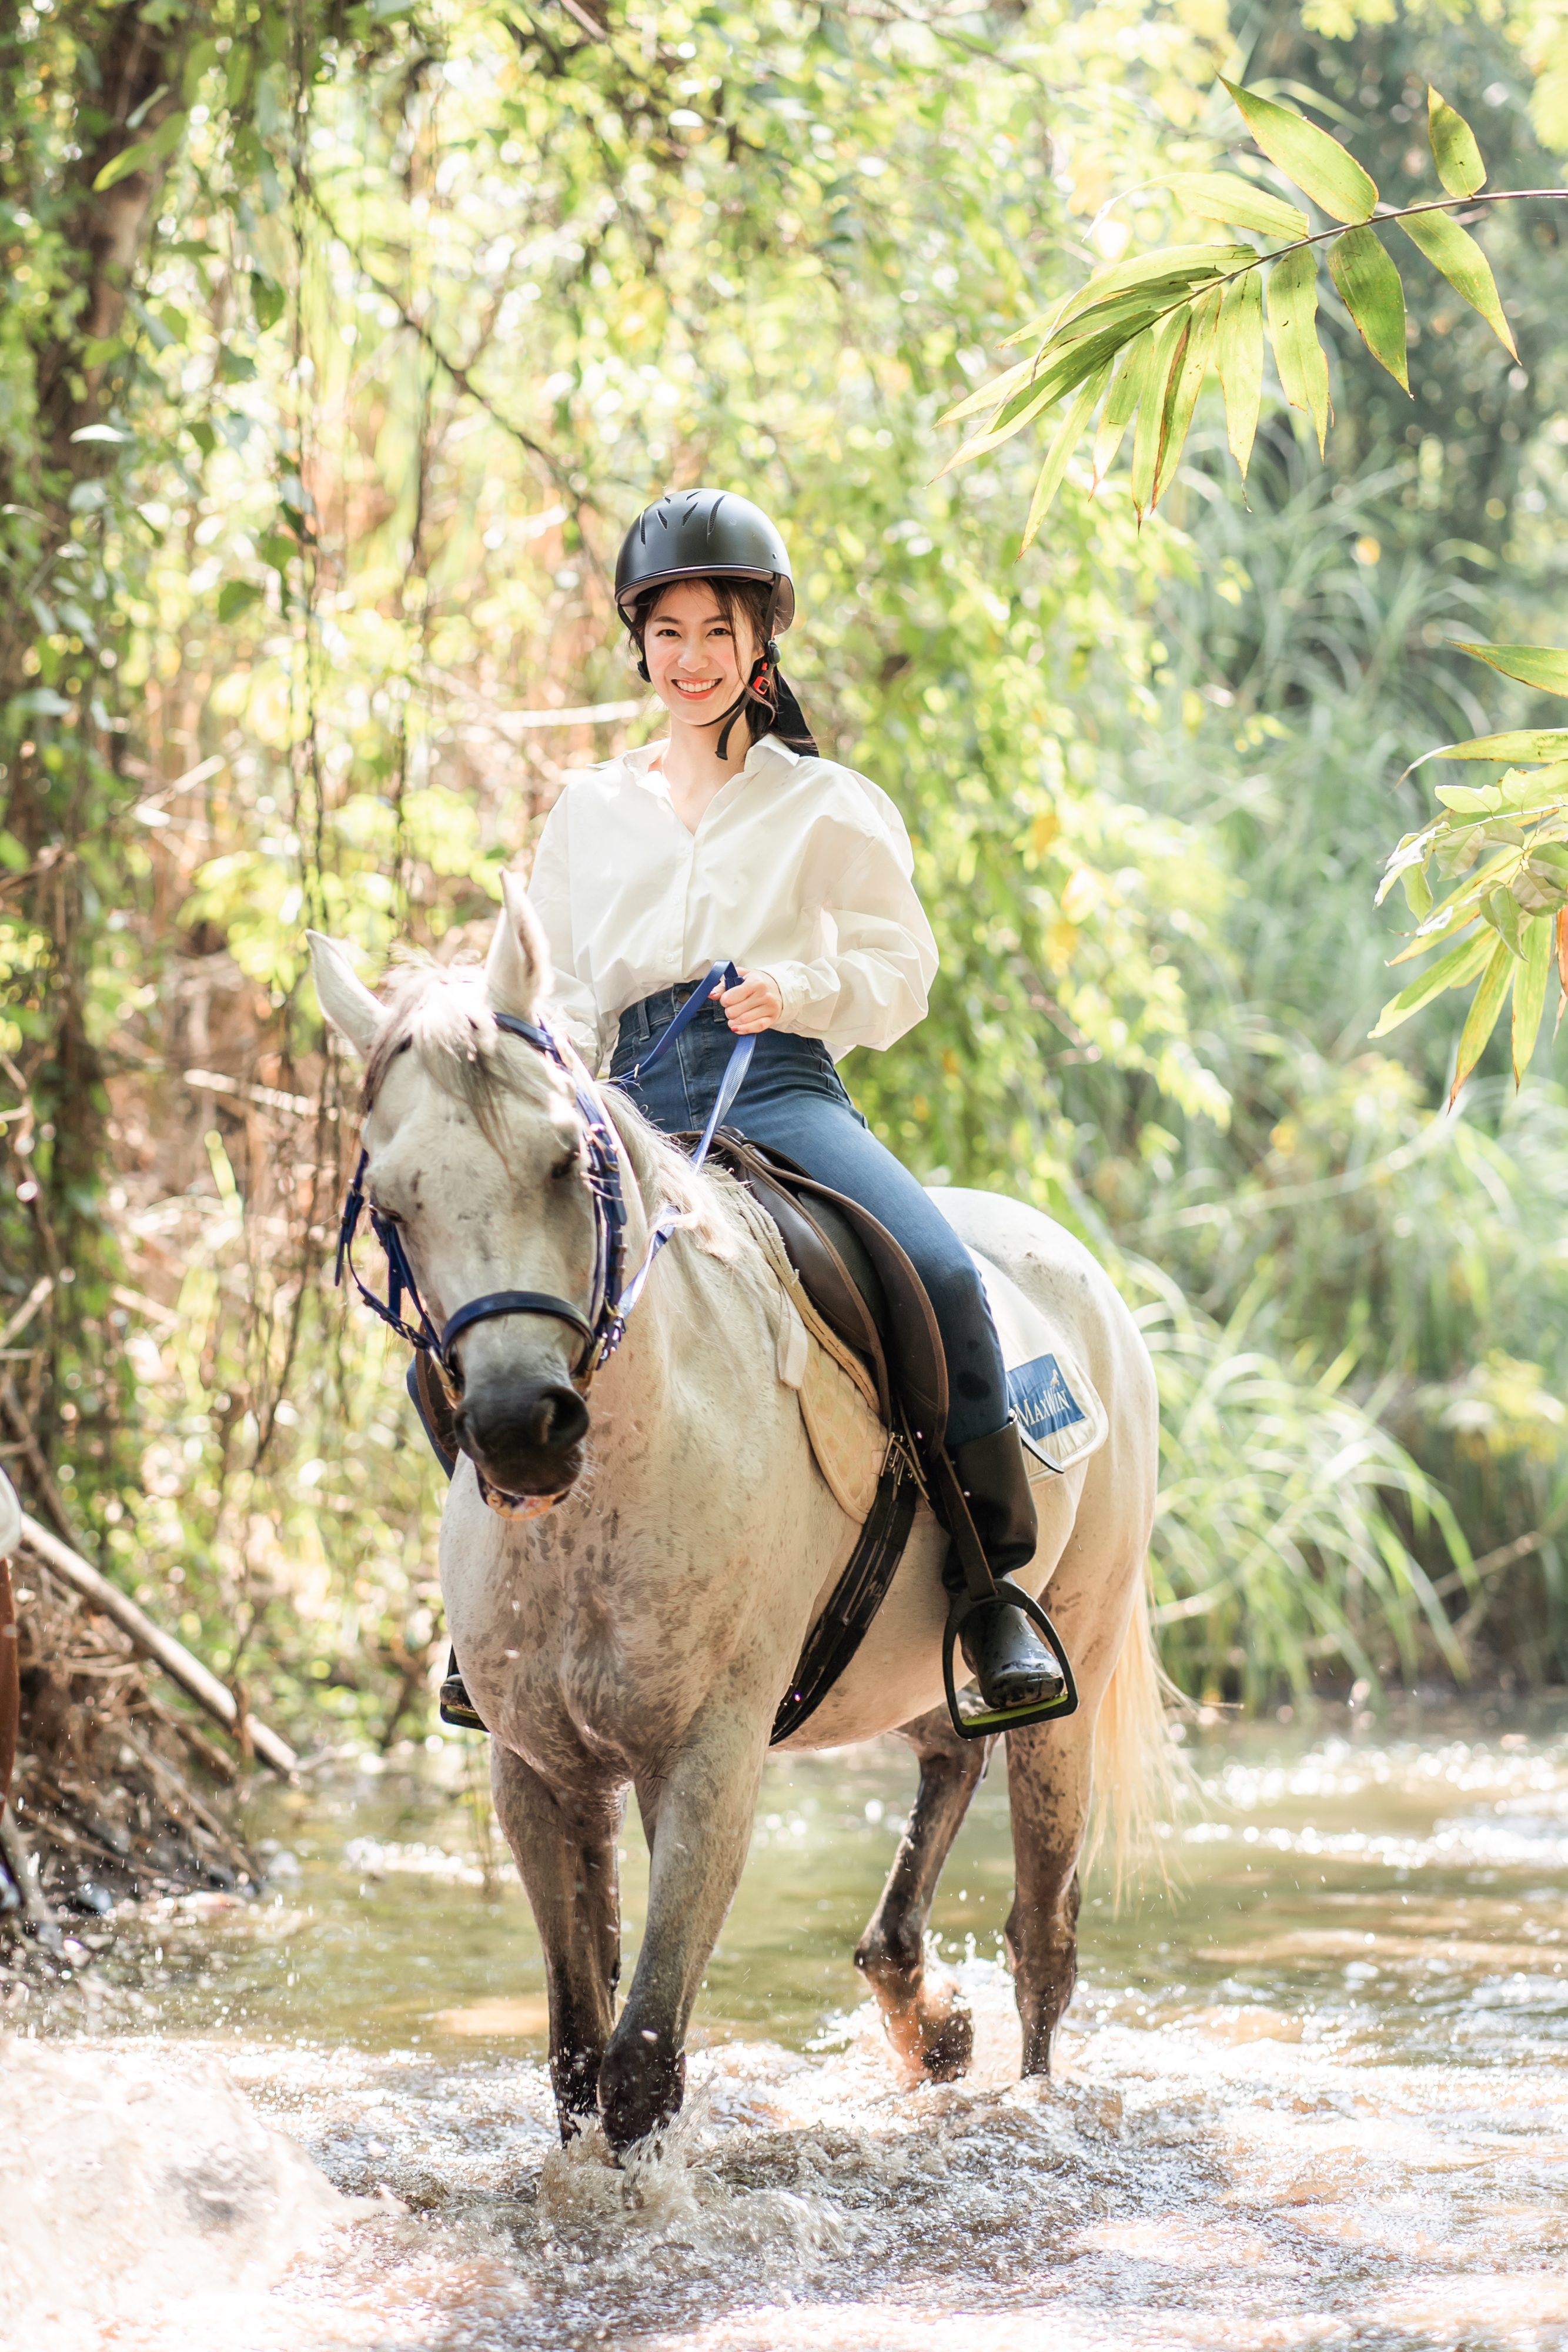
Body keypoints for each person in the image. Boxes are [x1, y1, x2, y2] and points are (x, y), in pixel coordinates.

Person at [519, 486, 1063, 1726]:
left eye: (716, 631)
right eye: (667, 633)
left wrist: (799, 986)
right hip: (624, 1095)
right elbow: (556, 985)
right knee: (498, 1295)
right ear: (638, 643)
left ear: (760, 637)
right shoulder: (588, 811)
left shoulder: (824, 802)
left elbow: (901, 970)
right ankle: (496, 1596)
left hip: (773, 1079)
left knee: (932, 1267)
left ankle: (989, 1588)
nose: (691, 659)